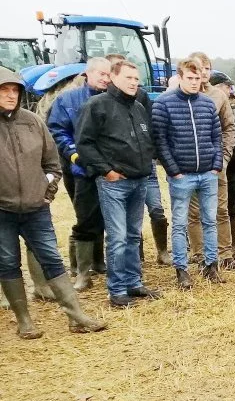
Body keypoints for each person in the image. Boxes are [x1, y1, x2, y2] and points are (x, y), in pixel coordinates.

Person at [0, 67, 107, 338]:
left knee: (52, 259)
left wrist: (46, 191)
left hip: (36, 209)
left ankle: (76, 316)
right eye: (4, 90)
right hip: (2, 212)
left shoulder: (33, 122)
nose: (11, 95)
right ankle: (24, 321)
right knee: (8, 262)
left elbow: (52, 163)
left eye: (15, 90)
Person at [75, 60, 163, 308]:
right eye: (128, 78)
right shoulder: (97, 106)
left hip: (139, 180)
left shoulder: (138, 107)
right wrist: (106, 171)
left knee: (134, 235)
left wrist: (148, 164)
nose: (134, 82)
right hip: (114, 183)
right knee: (118, 237)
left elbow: (147, 140)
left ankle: (134, 283)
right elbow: (84, 143)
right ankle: (117, 290)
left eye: (136, 79)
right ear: (113, 78)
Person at [152, 58, 224, 289]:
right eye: (190, 78)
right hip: (182, 175)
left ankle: (211, 265)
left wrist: (216, 164)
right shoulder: (164, 104)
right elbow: (160, 141)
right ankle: (181, 269)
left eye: (198, 78)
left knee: (210, 220)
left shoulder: (206, 103)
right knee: (180, 223)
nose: (194, 82)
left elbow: (216, 136)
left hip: (208, 173)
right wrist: (174, 170)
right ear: (180, 77)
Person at [47, 57, 110, 291]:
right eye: (100, 74)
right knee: (86, 218)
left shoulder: (113, 99)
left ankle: (100, 262)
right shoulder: (68, 100)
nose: (105, 78)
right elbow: (57, 129)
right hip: (83, 171)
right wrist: (74, 154)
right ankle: (81, 272)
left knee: (107, 217)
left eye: (108, 74)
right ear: (88, 73)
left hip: (111, 170)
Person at [184, 53, 235, 271]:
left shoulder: (218, 96)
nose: (204, 72)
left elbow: (229, 127)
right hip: (189, 165)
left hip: (215, 164)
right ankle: (198, 253)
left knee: (220, 210)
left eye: (207, 68)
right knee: (194, 212)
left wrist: (224, 157)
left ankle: (225, 253)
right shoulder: (176, 95)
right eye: (199, 68)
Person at [211, 72, 235, 259]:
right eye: (226, 86)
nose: (229, 90)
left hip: (234, 167)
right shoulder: (210, 108)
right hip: (216, 167)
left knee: (232, 209)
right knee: (214, 210)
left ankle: (230, 247)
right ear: (216, 87)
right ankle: (213, 250)